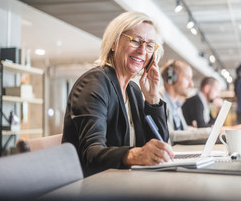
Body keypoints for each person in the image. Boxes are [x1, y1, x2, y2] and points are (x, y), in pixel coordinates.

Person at [62, 11, 174, 177]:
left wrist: (152, 99)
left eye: (150, 45)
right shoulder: (94, 83)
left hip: (124, 182)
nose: (142, 51)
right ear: (114, 43)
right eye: (135, 41)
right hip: (91, 188)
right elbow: (91, 153)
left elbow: (159, 148)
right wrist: (134, 155)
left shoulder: (134, 91)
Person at [160, 60, 210, 144]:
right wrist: (207, 132)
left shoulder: (176, 104)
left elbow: (184, 129)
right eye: (187, 78)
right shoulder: (158, 101)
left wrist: (208, 131)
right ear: (171, 78)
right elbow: (170, 135)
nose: (191, 84)